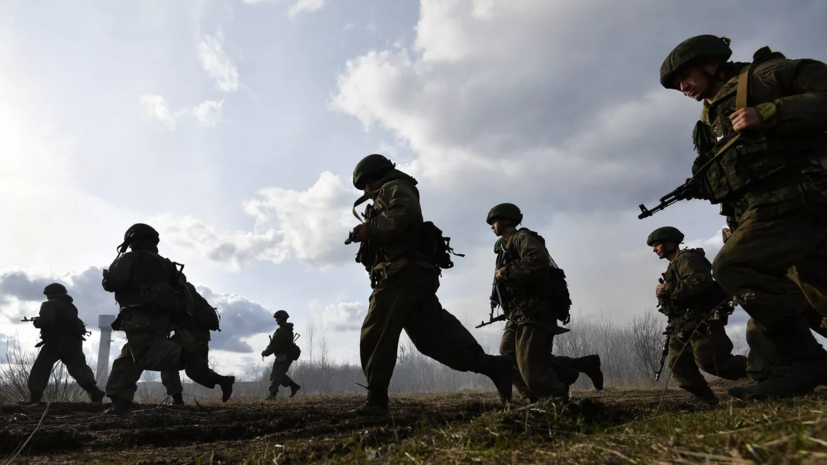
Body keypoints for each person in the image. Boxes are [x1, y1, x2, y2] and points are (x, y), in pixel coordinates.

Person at [660, 35, 827, 399]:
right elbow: (733, 172)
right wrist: (703, 183)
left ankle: (804, 362)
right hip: (772, 213)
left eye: (685, 76)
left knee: (733, 266)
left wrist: (769, 113)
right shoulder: (708, 121)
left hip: (798, 200)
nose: (683, 87)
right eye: (676, 86)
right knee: (817, 301)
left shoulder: (767, 77)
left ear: (711, 63)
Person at [348, 154, 512, 414]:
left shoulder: (394, 188)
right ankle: (494, 366)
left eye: (367, 184)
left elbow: (405, 215)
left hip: (402, 273)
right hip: (413, 276)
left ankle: (376, 401)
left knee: (376, 328)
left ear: (374, 177)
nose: (366, 191)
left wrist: (371, 229)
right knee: (434, 337)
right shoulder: (392, 190)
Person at [488, 203, 599, 402]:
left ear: (506, 220)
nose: (491, 226)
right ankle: (534, 397)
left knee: (531, 367)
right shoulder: (509, 246)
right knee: (508, 356)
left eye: (493, 221)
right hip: (518, 314)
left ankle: (556, 400)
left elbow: (537, 261)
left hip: (534, 311)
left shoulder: (522, 238)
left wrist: (505, 273)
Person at [102, 223, 193, 415]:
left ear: (132, 240)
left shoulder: (130, 259)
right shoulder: (167, 264)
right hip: (162, 319)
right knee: (128, 358)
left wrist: (106, 277)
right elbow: (183, 292)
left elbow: (113, 283)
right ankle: (120, 403)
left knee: (142, 354)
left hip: (139, 317)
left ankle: (188, 356)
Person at [648, 227, 747, 402]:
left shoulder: (688, 258)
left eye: (657, 245)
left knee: (711, 362)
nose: (654, 249)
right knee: (679, 366)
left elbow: (701, 283)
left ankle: (762, 371)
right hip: (681, 325)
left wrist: (667, 288)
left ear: (670, 243)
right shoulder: (675, 264)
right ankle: (708, 402)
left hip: (701, 322)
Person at [18, 283, 105, 405]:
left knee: (41, 368)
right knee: (78, 368)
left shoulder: (49, 304)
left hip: (57, 341)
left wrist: (37, 322)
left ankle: (35, 399)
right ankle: (95, 392)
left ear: (51, 294)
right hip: (74, 342)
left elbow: (46, 321)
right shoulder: (70, 306)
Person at [160, 283, 235, 405]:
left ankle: (177, 400)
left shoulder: (183, 299)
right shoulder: (197, 299)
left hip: (189, 338)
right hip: (200, 340)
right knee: (196, 371)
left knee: (167, 362)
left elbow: (177, 319)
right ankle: (224, 381)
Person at [261, 310, 301, 400]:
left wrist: (265, 353)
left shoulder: (281, 331)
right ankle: (294, 386)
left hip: (283, 357)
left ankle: (272, 396)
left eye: (277, 318)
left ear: (281, 319)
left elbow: (274, 345)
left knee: (276, 376)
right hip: (286, 356)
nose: (276, 320)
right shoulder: (288, 330)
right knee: (278, 375)